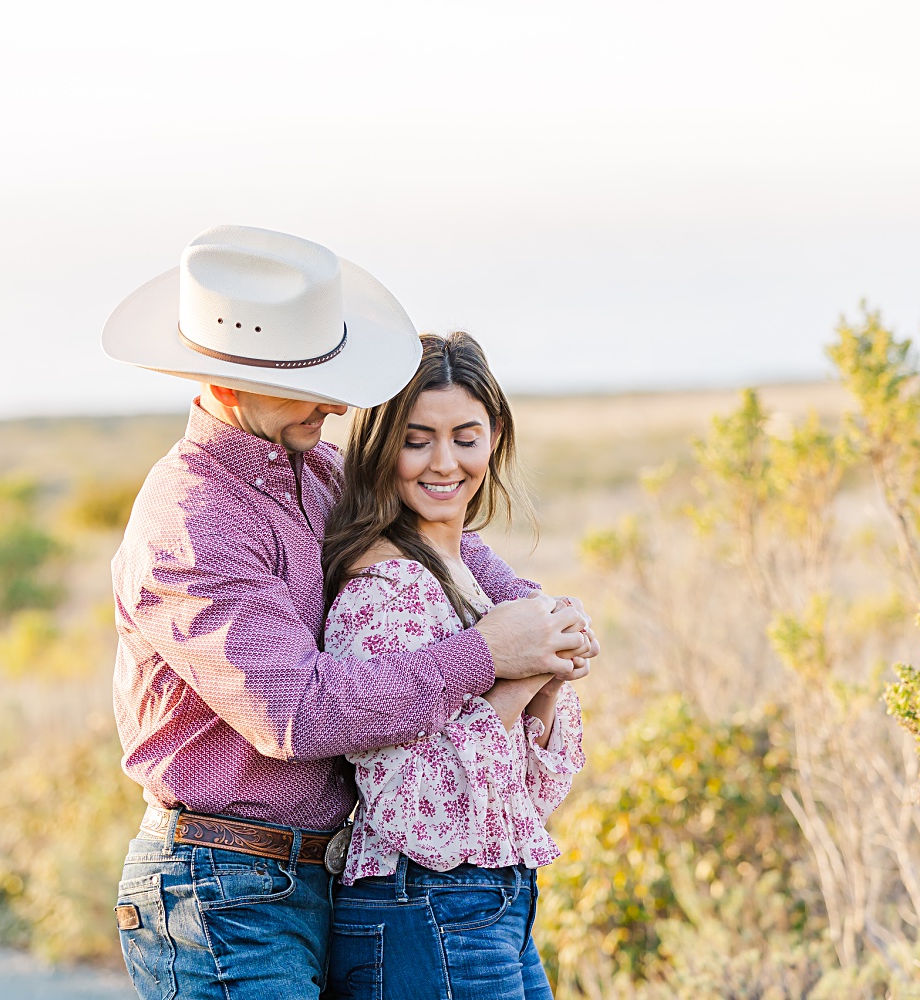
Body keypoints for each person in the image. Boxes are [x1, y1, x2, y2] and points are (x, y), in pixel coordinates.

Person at [101, 225, 598, 1000]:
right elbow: (294, 714)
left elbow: (450, 550)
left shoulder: (320, 471)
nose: (336, 402)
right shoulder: (191, 518)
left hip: (319, 875)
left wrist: (538, 616)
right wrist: (491, 655)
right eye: (307, 382)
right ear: (227, 379)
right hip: (220, 886)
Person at [320, 332, 584, 1000]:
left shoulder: (469, 576)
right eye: (417, 440)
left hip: (495, 897)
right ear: (383, 447)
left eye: (465, 437)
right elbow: (410, 804)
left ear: (494, 435)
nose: (444, 462)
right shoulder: (382, 591)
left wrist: (553, 673)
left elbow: (523, 791)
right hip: (422, 899)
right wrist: (522, 675)